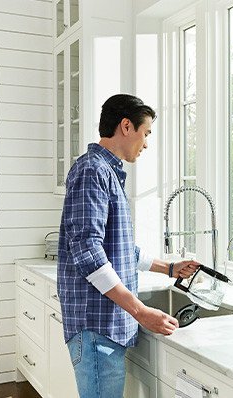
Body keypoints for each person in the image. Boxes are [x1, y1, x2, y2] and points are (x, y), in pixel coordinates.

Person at [57, 94, 200, 397]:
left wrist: (169, 268)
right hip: (97, 325)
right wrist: (140, 311)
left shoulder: (106, 172)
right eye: (145, 133)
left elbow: (117, 248)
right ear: (126, 126)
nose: (146, 143)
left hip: (104, 325)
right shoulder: (93, 171)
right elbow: (88, 253)